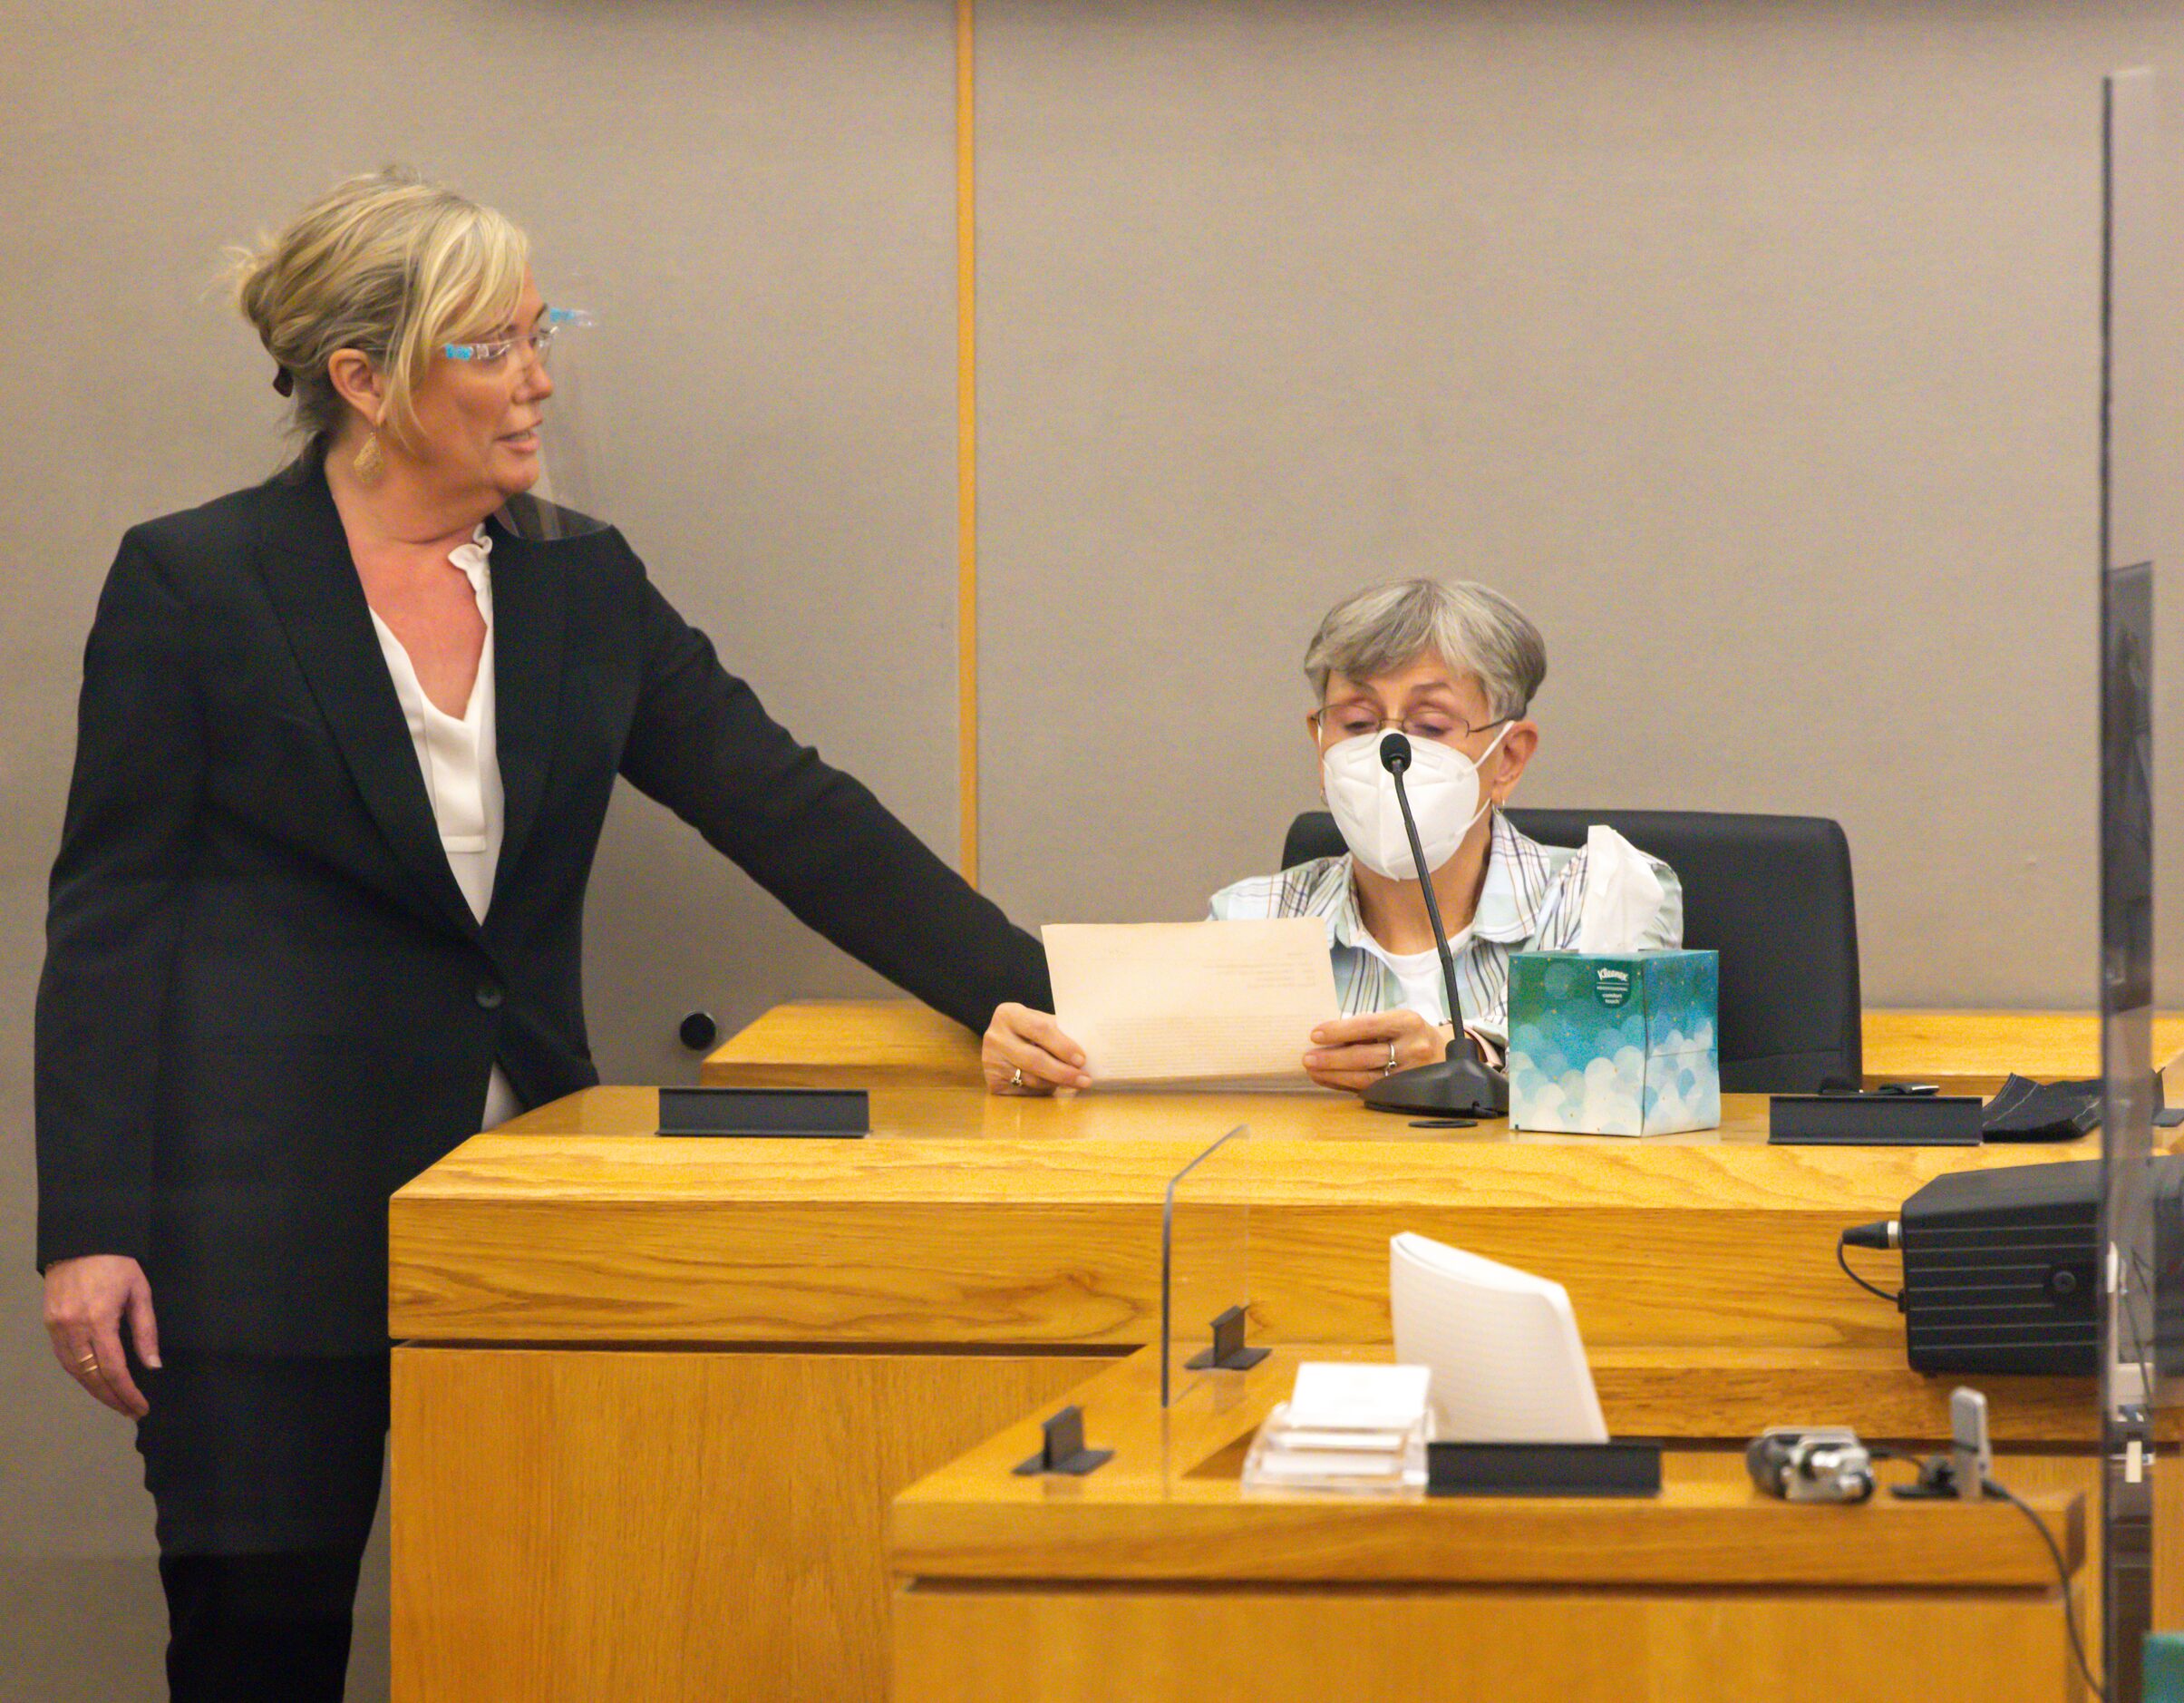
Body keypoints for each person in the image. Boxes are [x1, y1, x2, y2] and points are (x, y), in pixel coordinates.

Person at [35, 169, 1049, 1703]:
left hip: (522, 1208)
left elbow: (783, 804)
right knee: (258, 1645)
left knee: (545, 1624)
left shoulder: (583, 579)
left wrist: (1029, 989)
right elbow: (113, 914)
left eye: (538, 331)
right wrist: (90, 1223)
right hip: (253, 1230)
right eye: (491, 345)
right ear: (365, 380)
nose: (539, 380)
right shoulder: (199, 581)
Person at [982, 578, 1680, 1095]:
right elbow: (1163, 1112)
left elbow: (1628, 1081)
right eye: (1356, 722)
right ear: (1319, 743)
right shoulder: (1250, 919)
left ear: (1508, 756)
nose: (1387, 750)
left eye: (1429, 727)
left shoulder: (1604, 894)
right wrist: (1044, 1064)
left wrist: (1461, 1053)